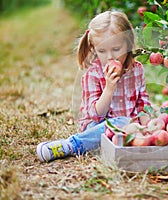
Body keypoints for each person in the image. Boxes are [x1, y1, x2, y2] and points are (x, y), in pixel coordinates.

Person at [36, 10, 151, 162]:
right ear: (94, 48)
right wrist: (109, 89)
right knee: (123, 122)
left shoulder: (136, 70)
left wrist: (148, 124)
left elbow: (142, 102)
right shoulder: (93, 74)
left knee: (134, 124)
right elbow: (96, 115)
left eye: (116, 49)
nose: (110, 56)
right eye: (102, 51)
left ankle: (114, 144)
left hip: (127, 128)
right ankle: (70, 145)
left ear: (128, 44)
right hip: (97, 127)